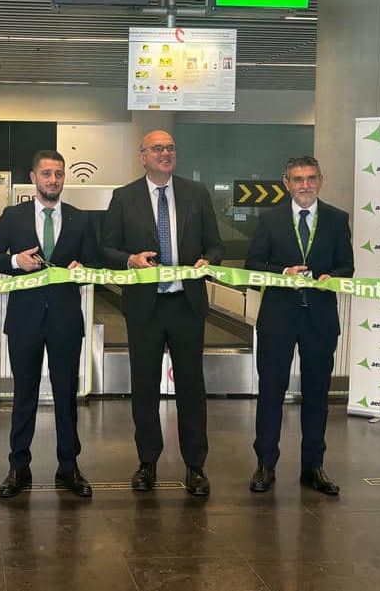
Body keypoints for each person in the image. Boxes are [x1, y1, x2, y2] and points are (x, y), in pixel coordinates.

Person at [100, 130, 224, 496]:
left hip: (186, 305)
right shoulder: (124, 198)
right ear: (142, 156)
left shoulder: (196, 194)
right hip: (144, 308)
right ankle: (147, 462)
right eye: (157, 148)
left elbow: (215, 244)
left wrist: (208, 260)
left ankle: (195, 467)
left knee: (191, 388)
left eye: (170, 147)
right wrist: (129, 260)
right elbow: (105, 246)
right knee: (144, 388)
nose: (165, 153)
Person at [0, 150, 100, 499]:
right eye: (46, 174)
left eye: (59, 174)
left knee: (66, 395)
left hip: (65, 320)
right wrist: (16, 261)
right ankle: (19, 467)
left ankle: (69, 467)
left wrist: (84, 269)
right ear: (33, 177)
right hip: (24, 321)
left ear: (65, 178)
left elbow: (93, 261)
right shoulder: (13, 216)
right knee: (24, 396)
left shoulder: (80, 219)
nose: (53, 180)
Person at [245, 156, 354, 496]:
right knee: (271, 394)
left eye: (310, 178)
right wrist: (281, 274)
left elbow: (346, 267)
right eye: (297, 179)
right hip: (278, 319)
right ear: (286, 183)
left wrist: (329, 277)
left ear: (320, 180)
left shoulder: (337, 220)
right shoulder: (269, 220)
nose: (304, 185)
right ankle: (265, 464)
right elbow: (252, 265)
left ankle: (313, 466)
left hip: (319, 320)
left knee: (317, 397)